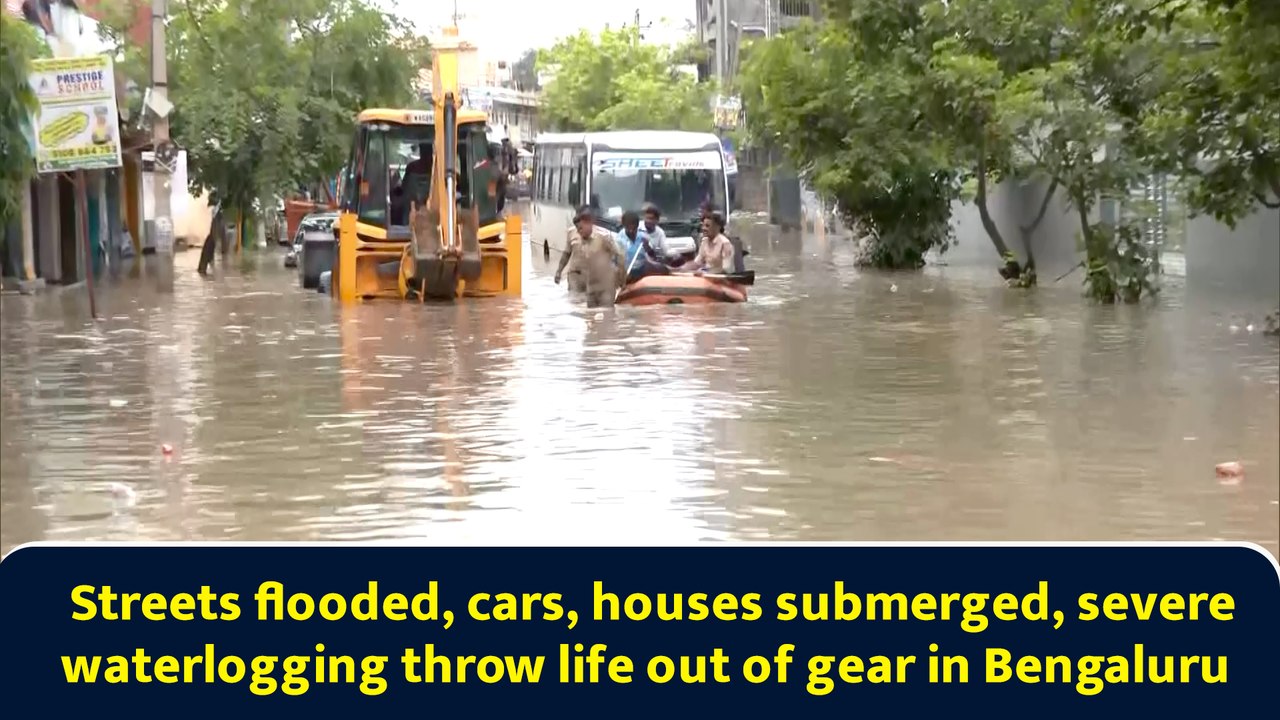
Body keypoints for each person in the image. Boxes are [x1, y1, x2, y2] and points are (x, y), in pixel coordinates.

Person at [555, 206, 624, 305]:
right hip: (575, 276)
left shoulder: (602, 235)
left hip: (594, 278)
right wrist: (559, 271)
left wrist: (618, 278)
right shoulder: (571, 232)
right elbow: (566, 253)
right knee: (576, 303)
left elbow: (617, 256)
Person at [615, 210, 670, 284]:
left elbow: (653, 256)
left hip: (642, 269)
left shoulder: (643, 236)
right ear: (624, 226)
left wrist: (647, 247)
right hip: (626, 271)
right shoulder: (618, 240)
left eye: (633, 229)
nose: (631, 231)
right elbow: (614, 261)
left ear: (637, 226)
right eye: (628, 228)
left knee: (663, 269)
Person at [677, 211, 736, 275]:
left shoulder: (725, 244)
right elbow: (697, 263)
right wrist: (680, 269)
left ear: (717, 227)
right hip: (706, 277)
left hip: (722, 280)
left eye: (707, 226)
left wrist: (705, 273)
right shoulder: (704, 241)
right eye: (703, 225)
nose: (703, 228)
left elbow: (726, 269)